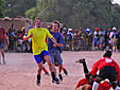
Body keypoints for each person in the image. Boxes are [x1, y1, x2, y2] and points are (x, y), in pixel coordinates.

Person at [23, 18, 60, 86]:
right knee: (40, 67)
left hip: (44, 49)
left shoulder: (45, 30)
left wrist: (55, 43)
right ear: (35, 23)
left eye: (39, 22)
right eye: (37, 22)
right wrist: (29, 36)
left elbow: (51, 37)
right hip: (36, 52)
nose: (38, 23)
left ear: (41, 23)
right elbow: (24, 38)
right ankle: (38, 78)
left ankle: (54, 78)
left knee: (49, 61)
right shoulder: (32, 30)